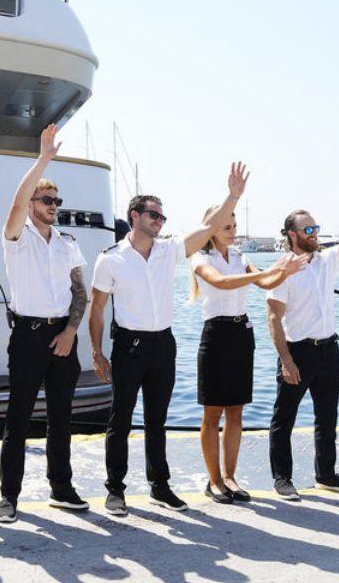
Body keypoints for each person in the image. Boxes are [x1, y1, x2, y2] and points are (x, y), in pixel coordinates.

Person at [88, 162, 253, 516]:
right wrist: (97, 353)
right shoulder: (111, 260)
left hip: (163, 345)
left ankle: (159, 486)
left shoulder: (169, 250)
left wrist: (233, 196)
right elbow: (97, 309)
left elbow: (209, 227)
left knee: (156, 420)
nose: (160, 221)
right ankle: (115, 490)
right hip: (128, 347)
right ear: (135, 216)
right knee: (120, 421)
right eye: (153, 215)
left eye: (162, 217)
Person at [266, 174, 339, 501]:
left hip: (329, 350)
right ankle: (282, 478)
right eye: (308, 229)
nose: (314, 233)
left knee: (327, 416)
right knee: (284, 418)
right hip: (297, 351)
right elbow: (273, 317)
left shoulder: (328, 261)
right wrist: (286, 361)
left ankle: (326, 475)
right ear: (292, 234)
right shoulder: (283, 269)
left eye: (316, 228)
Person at [0, 124, 89, 523]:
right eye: (46, 199)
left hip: (61, 336)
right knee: (18, 418)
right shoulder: (17, 237)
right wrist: (44, 158)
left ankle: (61, 488)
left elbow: (80, 293)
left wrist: (70, 332)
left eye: (56, 200)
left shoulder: (67, 242)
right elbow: (16, 202)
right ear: (33, 202)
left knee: (61, 417)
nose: (53, 204)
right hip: (29, 335)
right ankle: (9, 496)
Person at [190, 206, 302, 503]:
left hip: (242, 334)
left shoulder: (240, 257)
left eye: (234, 225)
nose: (233, 231)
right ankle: (214, 481)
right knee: (212, 412)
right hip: (215, 335)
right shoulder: (201, 258)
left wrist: (282, 270)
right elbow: (221, 282)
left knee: (236, 411)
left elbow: (265, 283)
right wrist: (270, 271)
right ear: (211, 229)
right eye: (227, 227)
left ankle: (230, 477)